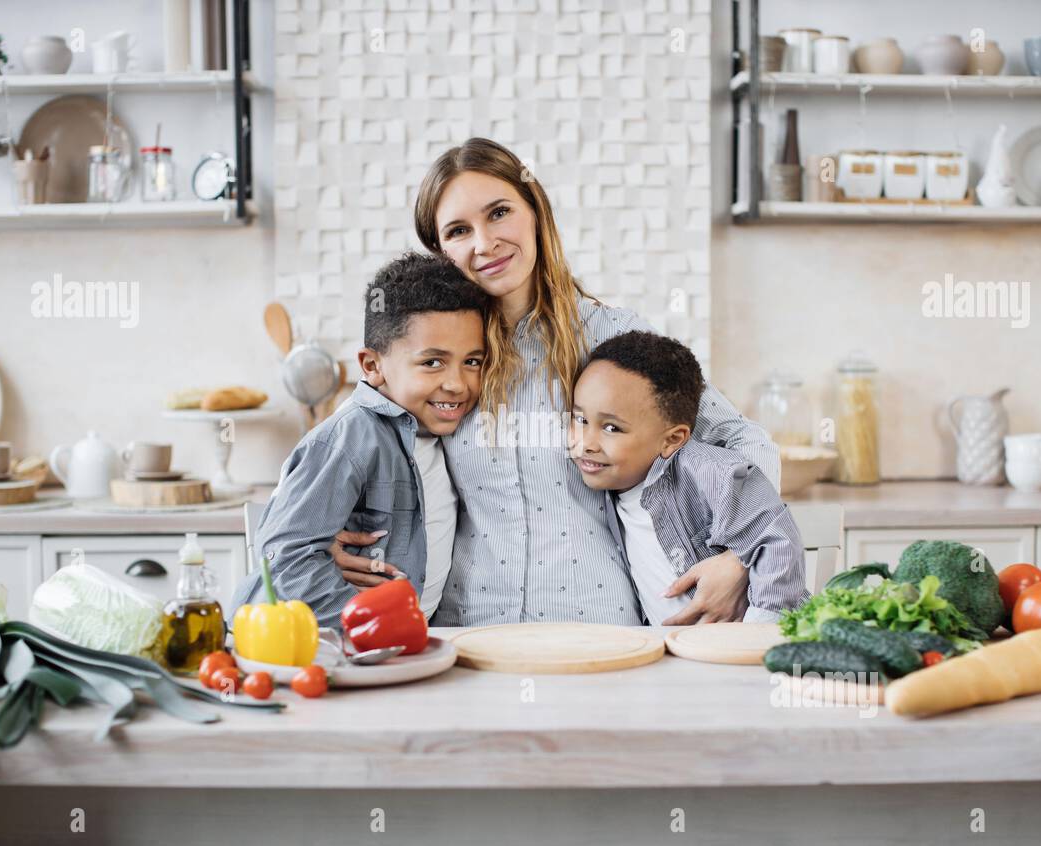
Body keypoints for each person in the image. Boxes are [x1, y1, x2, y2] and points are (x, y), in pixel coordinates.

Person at [330, 137, 780, 626]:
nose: (484, 243)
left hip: (601, 631)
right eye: (459, 230)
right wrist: (334, 523)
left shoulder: (612, 336)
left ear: (535, 212)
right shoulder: (440, 363)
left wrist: (740, 555)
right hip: (468, 635)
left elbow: (743, 440)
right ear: (441, 251)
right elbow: (351, 443)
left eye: (499, 213)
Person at [231, 252, 489, 622]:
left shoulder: (446, 430)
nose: (457, 384)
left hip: (399, 649)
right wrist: (373, 622)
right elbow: (285, 560)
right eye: (432, 362)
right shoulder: (350, 438)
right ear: (372, 366)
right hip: (318, 648)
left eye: (472, 362)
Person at [570, 331, 809, 625]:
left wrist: (757, 637)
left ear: (672, 439)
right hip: (679, 656)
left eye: (611, 428)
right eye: (580, 420)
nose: (586, 442)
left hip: (752, 651)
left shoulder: (712, 472)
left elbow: (779, 540)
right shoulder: (608, 488)